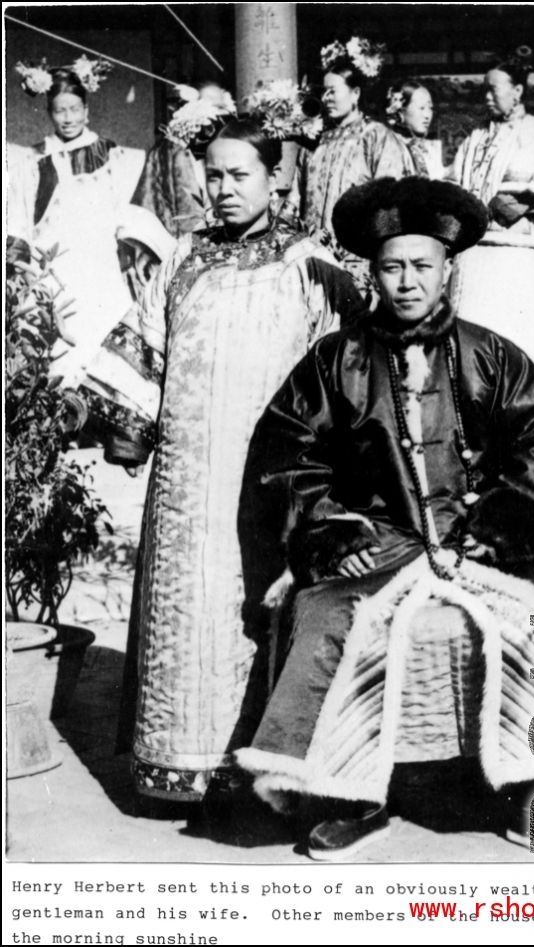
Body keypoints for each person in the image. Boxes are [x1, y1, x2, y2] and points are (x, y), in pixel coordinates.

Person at [236, 177, 534, 861]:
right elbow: (285, 449)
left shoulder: (489, 354)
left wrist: (514, 513)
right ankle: (349, 795)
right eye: (392, 267)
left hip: (474, 538)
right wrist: (329, 525)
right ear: (373, 273)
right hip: (378, 542)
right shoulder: (338, 360)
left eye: (422, 266)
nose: (406, 282)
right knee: (330, 620)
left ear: (447, 270)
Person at [70, 120, 364, 805]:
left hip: (273, 484)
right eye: (215, 174)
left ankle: (263, 779)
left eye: (241, 175)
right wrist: (101, 422)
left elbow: (343, 375)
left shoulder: (309, 265)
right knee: (188, 618)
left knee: (257, 617)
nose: (225, 188)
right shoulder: (182, 259)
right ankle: (179, 769)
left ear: (274, 178)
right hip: (185, 489)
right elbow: (144, 357)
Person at [8, 61, 145, 387]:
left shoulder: (114, 155)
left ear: (87, 109)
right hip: (54, 267)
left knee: (103, 340)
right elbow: (21, 217)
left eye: (73, 109)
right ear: (49, 112)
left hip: (100, 265)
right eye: (59, 111)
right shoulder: (34, 159)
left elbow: (128, 213)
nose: (67, 118)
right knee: (56, 347)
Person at [447, 49, 534, 372]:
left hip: (515, 260)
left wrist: (487, 212)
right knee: (471, 352)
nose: (486, 97)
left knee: (513, 352)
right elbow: (454, 185)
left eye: (493, 89)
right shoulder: (475, 137)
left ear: (518, 91)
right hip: (474, 259)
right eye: (483, 89)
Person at [289, 37, 412, 293]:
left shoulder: (376, 136)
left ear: (355, 93)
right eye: (324, 91)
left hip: (359, 265)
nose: (327, 98)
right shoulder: (313, 142)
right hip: (311, 262)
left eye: (333, 90)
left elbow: (393, 204)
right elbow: (294, 201)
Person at [131, 80, 236, 237]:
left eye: (223, 111)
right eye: (214, 110)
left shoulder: (221, 148)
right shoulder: (173, 153)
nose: (219, 120)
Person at [386, 78, 445, 180]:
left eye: (430, 108)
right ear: (401, 109)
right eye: (421, 108)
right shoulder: (388, 146)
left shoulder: (430, 148)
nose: (427, 115)